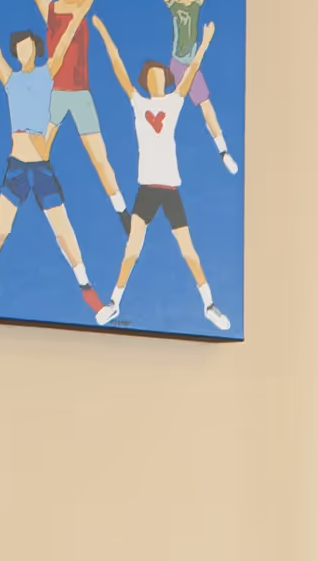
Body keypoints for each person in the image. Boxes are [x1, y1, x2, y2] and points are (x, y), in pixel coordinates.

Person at [0, 0, 104, 312]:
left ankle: (86, 285)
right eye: (19, 46)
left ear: (36, 49)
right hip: (16, 166)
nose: (23, 49)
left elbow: (66, 41)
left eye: (28, 45)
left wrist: (77, 16)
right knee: (1, 227)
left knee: (62, 227)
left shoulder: (47, 73)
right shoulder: (10, 79)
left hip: (40, 167)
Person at [88, 17, 231, 331]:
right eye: (151, 76)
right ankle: (114, 303)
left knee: (187, 248)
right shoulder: (138, 103)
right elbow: (117, 66)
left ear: (166, 80)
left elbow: (191, 71)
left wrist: (205, 42)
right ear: (145, 81)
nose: (157, 80)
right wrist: (103, 31)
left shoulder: (174, 102)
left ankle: (209, 303)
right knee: (132, 248)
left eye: (160, 76)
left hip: (170, 188)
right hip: (146, 189)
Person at [0, 0, 128, 216]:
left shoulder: (82, 4)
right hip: (53, 92)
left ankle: (121, 209)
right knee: (39, 153)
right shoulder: (50, 7)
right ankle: (19, 202)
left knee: (98, 154)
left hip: (80, 92)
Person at [136, 0, 239, 173]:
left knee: (206, 106)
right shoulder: (174, 5)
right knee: (167, 109)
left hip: (192, 64)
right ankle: (156, 150)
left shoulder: (195, 5)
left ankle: (223, 151)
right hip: (176, 65)